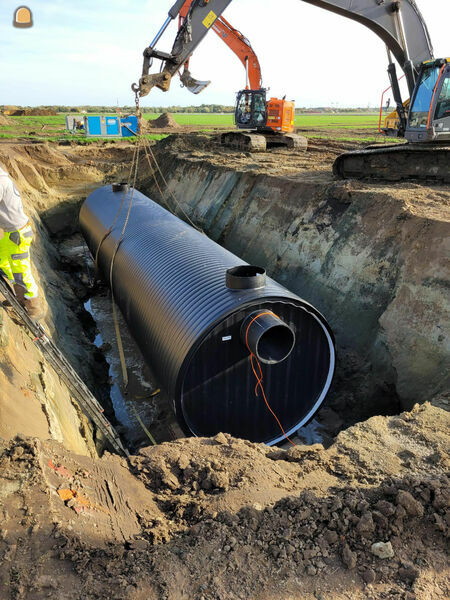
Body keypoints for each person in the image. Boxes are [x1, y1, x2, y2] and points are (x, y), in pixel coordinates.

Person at [0, 166, 44, 320]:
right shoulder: (3, 177)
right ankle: (20, 297)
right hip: (12, 233)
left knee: (21, 271)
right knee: (2, 261)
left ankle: (34, 306)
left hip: (17, 234)